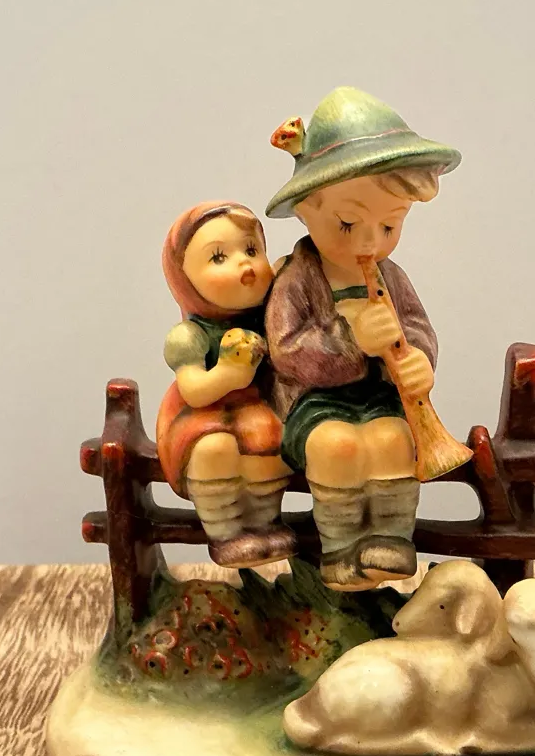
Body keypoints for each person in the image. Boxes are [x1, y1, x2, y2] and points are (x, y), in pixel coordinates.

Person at [264, 87, 460, 590]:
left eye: (390, 225)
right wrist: (350, 340)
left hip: (379, 399)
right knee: (336, 447)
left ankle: (390, 540)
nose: (370, 241)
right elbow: (285, 351)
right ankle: (341, 548)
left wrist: (417, 358)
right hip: (314, 404)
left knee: (394, 440)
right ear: (307, 208)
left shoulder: (391, 276)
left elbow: (417, 326)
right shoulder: (297, 278)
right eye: (348, 223)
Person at [156, 201, 295, 567]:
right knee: (213, 451)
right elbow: (193, 390)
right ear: (184, 279)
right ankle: (225, 531)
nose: (245, 266)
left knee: (271, 443)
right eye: (219, 257)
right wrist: (227, 374)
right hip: (202, 416)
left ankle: (266, 522)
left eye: (251, 250)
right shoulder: (191, 335)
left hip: (258, 408)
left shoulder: (272, 319)